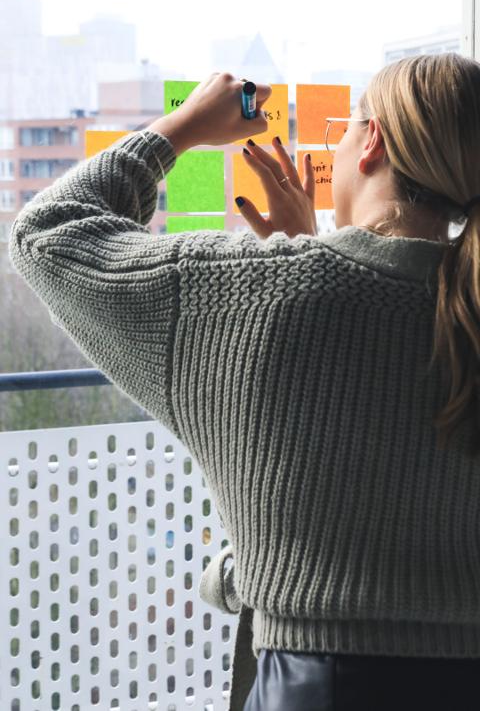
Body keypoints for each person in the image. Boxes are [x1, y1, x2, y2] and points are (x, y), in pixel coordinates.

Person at [8, 54, 480, 711]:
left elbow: (47, 233)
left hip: (319, 687)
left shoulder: (259, 296)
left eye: (347, 128)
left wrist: (183, 126)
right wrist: (313, 249)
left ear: (371, 141)